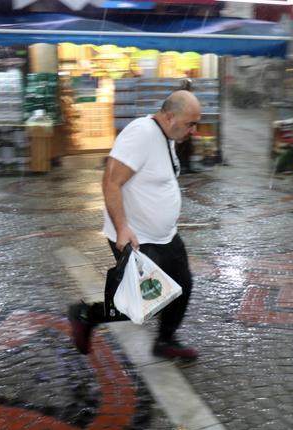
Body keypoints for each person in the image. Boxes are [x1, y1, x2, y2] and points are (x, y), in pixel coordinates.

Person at [68, 90, 202, 361]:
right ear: (169, 116)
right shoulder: (141, 133)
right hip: (137, 236)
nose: (194, 130)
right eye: (190, 123)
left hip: (165, 235)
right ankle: (85, 315)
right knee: (145, 301)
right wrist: (122, 229)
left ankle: (165, 341)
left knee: (182, 284)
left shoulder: (167, 136)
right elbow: (110, 182)